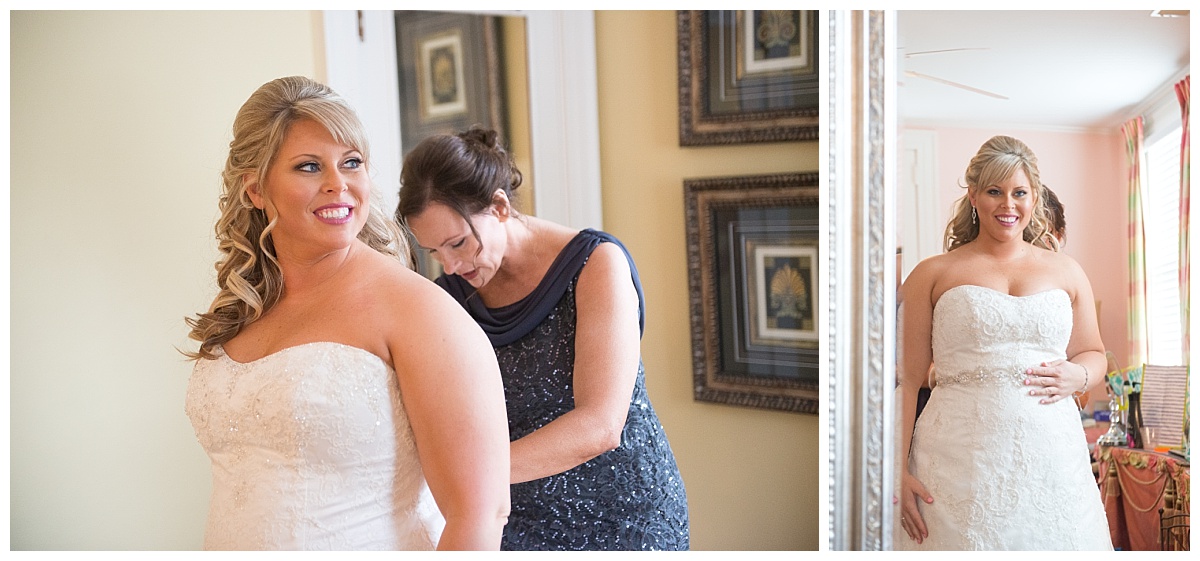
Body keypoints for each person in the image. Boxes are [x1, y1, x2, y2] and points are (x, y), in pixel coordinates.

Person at [183, 77, 510, 550]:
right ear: (255, 190)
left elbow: (480, 513)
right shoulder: (245, 307)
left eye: (351, 163)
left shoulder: (418, 310)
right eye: (309, 167)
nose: (338, 185)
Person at [396, 126, 689, 551]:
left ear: (498, 206)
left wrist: (476, 476)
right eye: (435, 252)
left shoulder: (596, 265)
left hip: (627, 517)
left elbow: (600, 426)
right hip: (518, 526)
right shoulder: (446, 301)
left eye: (459, 243)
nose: (452, 264)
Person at [895, 135, 1111, 550]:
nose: (1008, 205)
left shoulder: (1067, 271)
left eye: (1019, 193)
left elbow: (1094, 353)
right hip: (956, 458)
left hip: (1052, 454)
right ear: (974, 196)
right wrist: (897, 470)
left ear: (1034, 198)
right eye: (994, 192)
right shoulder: (932, 273)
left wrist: (1079, 374)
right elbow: (908, 379)